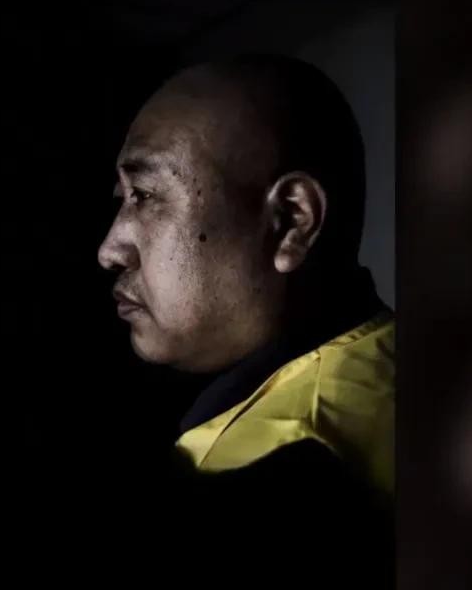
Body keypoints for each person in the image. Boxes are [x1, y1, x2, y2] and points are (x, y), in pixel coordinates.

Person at [97, 54, 394, 575]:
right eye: (121, 198)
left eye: (144, 196)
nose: (109, 249)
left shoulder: (256, 478)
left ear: (291, 222)